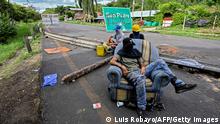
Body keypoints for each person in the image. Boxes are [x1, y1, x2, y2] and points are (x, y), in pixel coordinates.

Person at [110, 37, 148, 117]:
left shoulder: (135, 52)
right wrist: (122, 66)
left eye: (131, 45)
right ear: (125, 46)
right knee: (141, 80)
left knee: (160, 62)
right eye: (129, 45)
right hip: (130, 72)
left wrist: (143, 67)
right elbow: (112, 61)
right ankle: (141, 107)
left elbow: (142, 63)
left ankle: (176, 82)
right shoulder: (121, 53)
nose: (131, 47)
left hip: (140, 70)